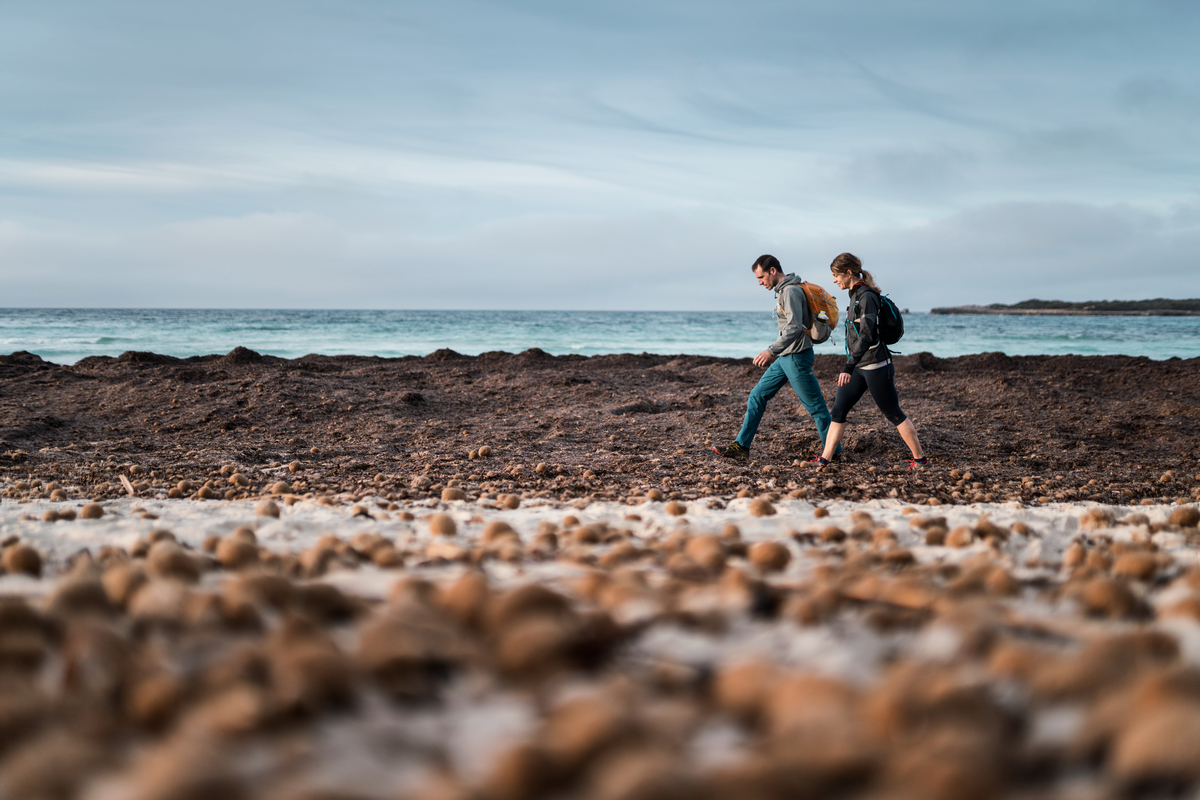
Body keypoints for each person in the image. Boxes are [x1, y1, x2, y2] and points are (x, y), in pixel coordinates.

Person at [712, 254, 838, 461]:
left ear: (772, 271)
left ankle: (835, 453)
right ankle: (742, 446)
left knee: (817, 409)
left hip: (796, 357)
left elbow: (794, 328)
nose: (760, 282)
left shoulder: (789, 291)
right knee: (757, 395)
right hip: (787, 357)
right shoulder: (786, 290)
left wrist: (771, 351)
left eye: (761, 277)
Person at [809, 252, 927, 470]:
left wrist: (847, 366)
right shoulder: (855, 295)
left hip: (875, 365)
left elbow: (867, 335)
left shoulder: (867, 297)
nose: (834, 280)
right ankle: (825, 459)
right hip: (859, 366)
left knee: (893, 413)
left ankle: (920, 460)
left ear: (849, 273)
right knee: (838, 411)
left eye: (836, 275)